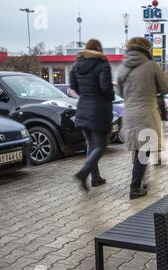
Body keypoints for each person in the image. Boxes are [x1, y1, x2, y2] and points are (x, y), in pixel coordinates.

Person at [117, 37, 168, 200]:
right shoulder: (151, 65)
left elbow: (119, 92)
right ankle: (135, 187)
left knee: (138, 149)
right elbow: (166, 88)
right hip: (146, 112)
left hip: (129, 113)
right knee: (144, 150)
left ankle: (140, 182)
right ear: (146, 49)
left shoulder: (122, 67)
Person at [70, 39, 114, 192]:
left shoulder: (76, 65)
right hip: (98, 111)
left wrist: (87, 94)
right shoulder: (102, 64)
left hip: (82, 108)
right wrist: (110, 97)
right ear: (99, 49)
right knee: (101, 145)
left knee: (91, 144)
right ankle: (84, 172)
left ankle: (95, 178)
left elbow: (73, 86)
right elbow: (106, 88)